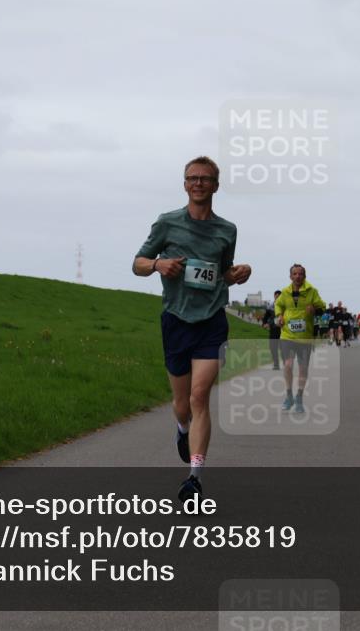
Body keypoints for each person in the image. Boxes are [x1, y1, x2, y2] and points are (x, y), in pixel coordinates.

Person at [133, 156, 251, 502]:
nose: (198, 183)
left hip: (212, 320)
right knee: (182, 404)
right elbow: (137, 264)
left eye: (205, 178)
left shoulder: (227, 230)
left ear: (216, 185)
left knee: (201, 397)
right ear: (185, 184)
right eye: (192, 178)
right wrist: (158, 264)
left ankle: (194, 478)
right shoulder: (167, 223)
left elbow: (223, 271)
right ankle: (182, 429)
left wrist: (239, 272)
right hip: (176, 320)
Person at [274, 264, 326, 413]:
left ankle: (299, 398)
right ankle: (289, 395)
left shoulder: (312, 291)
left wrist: (315, 310)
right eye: (294, 274)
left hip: (304, 337)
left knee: (303, 368)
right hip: (287, 336)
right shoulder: (284, 292)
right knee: (288, 365)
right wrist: (280, 315)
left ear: (304, 276)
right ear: (290, 276)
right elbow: (278, 305)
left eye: (300, 274)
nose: (297, 276)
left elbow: (322, 308)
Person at [262, 291, 282, 370]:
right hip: (273, 330)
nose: (277, 298)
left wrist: (269, 323)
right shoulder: (270, 307)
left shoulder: (284, 307)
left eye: (279, 296)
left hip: (283, 330)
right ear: (274, 296)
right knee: (273, 347)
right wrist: (264, 323)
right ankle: (276, 364)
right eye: (276, 296)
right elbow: (266, 317)